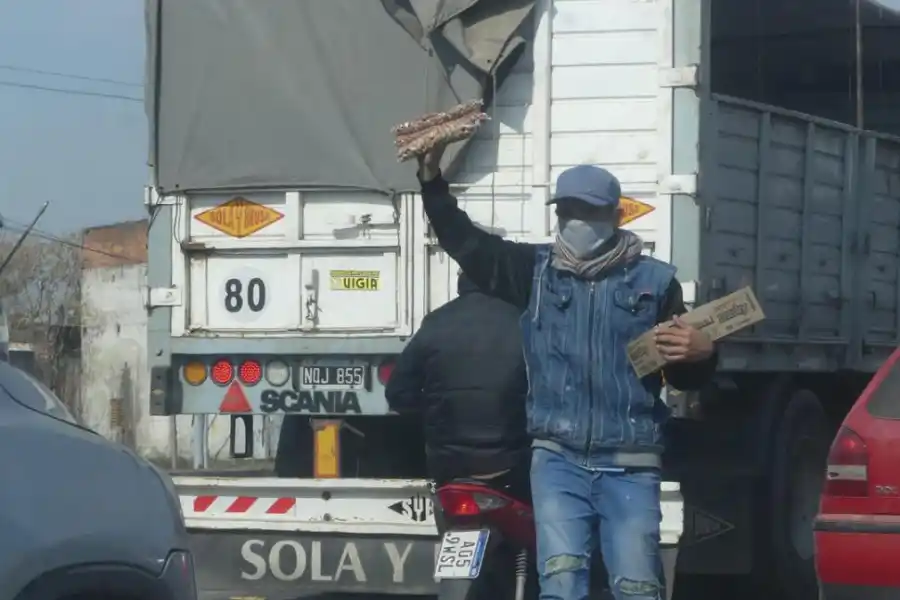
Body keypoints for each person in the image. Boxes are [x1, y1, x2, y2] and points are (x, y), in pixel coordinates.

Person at [414, 143, 717, 600]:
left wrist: (701, 354)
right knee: (560, 584)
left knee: (637, 587)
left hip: (631, 463)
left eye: (588, 210)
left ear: (616, 215)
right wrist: (432, 182)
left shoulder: (656, 284)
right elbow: (466, 242)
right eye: (567, 210)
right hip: (557, 461)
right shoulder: (532, 273)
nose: (576, 221)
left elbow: (682, 378)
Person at [385, 269, 531, 501]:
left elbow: (398, 393)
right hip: (511, 462)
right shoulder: (525, 322)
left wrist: (434, 414)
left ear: (461, 283)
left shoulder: (435, 322)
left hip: (448, 465)